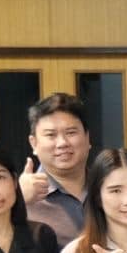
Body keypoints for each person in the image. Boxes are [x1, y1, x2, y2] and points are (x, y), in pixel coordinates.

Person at [20, 93, 91, 239]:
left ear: (87, 138)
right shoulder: (20, 198)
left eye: (71, 133)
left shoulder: (107, 187)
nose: (62, 143)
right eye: (51, 135)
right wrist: (17, 201)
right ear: (34, 143)